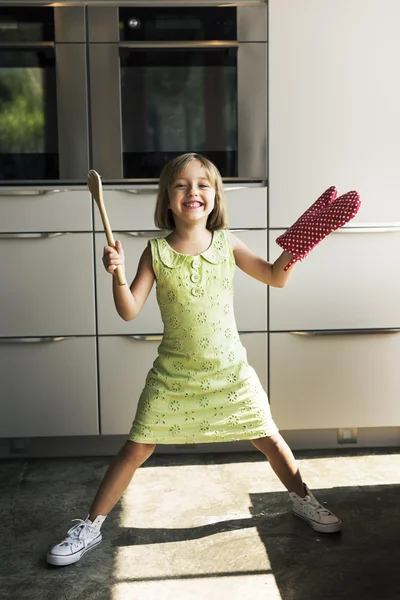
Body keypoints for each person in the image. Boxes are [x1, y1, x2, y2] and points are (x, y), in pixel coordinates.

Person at [47, 153, 359, 567]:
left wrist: (298, 245)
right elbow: (128, 310)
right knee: (135, 448)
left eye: (203, 184)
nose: (193, 192)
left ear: (215, 196)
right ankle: (90, 526)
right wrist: (116, 273)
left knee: (268, 438)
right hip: (173, 375)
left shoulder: (227, 241)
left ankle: (304, 500)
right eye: (181, 185)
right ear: (167, 198)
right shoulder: (155, 252)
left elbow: (275, 276)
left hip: (230, 372)